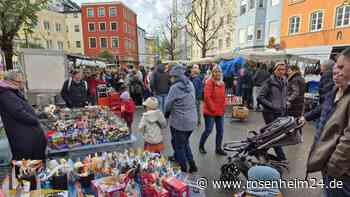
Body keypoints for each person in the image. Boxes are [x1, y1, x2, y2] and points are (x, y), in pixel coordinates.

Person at [307, 48, 350, 197]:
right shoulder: (336, 90)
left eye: (341, 67)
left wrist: (333, 167)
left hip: (340, 173)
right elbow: (324, 115)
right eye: (334, 67)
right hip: (328, 166)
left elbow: (348, 141)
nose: (335, 71)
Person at [0, 70, 47, 160]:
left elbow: (23, 109)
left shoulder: (12, 91)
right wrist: (35, 120)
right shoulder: (6, 94)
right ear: (9, 81)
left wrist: (37, 114)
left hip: (26, 136)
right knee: (26, 164)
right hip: (23, 137)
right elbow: (18, 113)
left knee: (33, 163)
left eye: (22, 81)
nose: (21, 84)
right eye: (19, 82)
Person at [165, 64, 198, 173]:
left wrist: (166, 115)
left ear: (176, 76)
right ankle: (192, 165)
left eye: (172, 76)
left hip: (180, 122)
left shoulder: (174, 88)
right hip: (192, 120)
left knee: (178, 146)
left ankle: (183, 169)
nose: (171, 78)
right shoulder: (190, 84)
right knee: (185, 143)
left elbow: (168, 104)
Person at [257, 62, 288, 161]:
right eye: (279, 69)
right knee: (275, 136)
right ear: (274, 70)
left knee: (271, 135)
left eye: (283, 69)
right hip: (269, 113)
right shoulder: (269, 81)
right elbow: (260, 97)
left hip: (280, 113)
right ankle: (282, 158)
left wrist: (285, 103)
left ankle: (260, 151)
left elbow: (283, 95)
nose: (281, 72)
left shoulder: (284, 80)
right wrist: (272, 106)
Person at [199, 65, 227, 156]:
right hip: (210, 111)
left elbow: (223, 97)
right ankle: (201, 145)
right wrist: (213, 108)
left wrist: (224, 107)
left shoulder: (222, 83)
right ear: (212, 73)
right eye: (215, 71)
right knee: (208, 130)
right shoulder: (209, 82)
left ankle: (218, 148)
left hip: (220, 111)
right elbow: (207, 97)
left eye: (219, 71)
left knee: (220, 131)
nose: (217, 73)